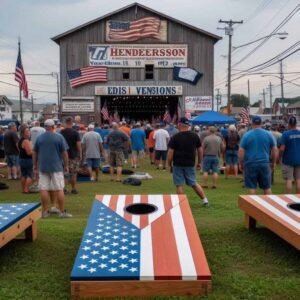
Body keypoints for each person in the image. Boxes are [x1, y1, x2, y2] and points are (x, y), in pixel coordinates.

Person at [33, 119, 72, 218]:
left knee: (43, 188)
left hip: (43, 166)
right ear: (53, 126)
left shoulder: (39, 138)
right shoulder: (59, 137)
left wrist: (35, 165)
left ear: (45, 126)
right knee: (59, 188)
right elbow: (64, 153)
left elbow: (35, 152)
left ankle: (45, 211)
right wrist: (66, 165)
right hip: (56, 166)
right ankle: (62, 212)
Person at [168, 117, 209, 206]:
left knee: (179, 184)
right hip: (190, 163)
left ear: (179, 125)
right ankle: (205, 200)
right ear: (188, 125)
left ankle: (182, 204)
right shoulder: (195, 136)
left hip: (178, 163)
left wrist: (169, 163)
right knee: (193, 183)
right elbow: (200, 150)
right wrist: (199, 162)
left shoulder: (175, 137)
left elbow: (170, 152)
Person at [239, 116, 277, 195]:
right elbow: (274, 149)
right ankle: (269, 206)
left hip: (250, 163)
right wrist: (273, 162)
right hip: (264, 163)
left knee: (252, 187)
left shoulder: (246, 135)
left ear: (252, 123)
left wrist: (241, 163)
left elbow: (241, 150)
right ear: (261, 123)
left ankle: (253, 206)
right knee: (267, 187)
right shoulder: (268, 134)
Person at [60, 117, 82, 194]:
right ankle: (73, 189)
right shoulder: (75, 133)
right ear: (72, 123)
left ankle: (64, 189)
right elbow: (78, 145)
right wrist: (80, 154)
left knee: (64, 173)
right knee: (73, 173)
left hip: (62, 156)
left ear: (65, 123)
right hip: (73, 156)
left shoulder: (61, 132)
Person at [279, 116, 300, 193]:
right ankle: (298, 198)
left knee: (289, 180)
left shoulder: (286, 134)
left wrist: (280, 157)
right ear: (295, 124)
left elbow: (281, 149)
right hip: (299, 159)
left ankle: (288, 197)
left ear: (289, 124)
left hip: (288, 160)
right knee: (298, 179)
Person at [18, 125, 33, 193]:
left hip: (22, 159)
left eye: (28, 131)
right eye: (27, 131)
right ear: (23, 132)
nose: (29, 132)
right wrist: (35, 152)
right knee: (29, 175)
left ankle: (24, 189)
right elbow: (29, 153)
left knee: (23, 175)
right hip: (27, 160)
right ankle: (26, 189)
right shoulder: (26, 141)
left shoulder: (20, 140)